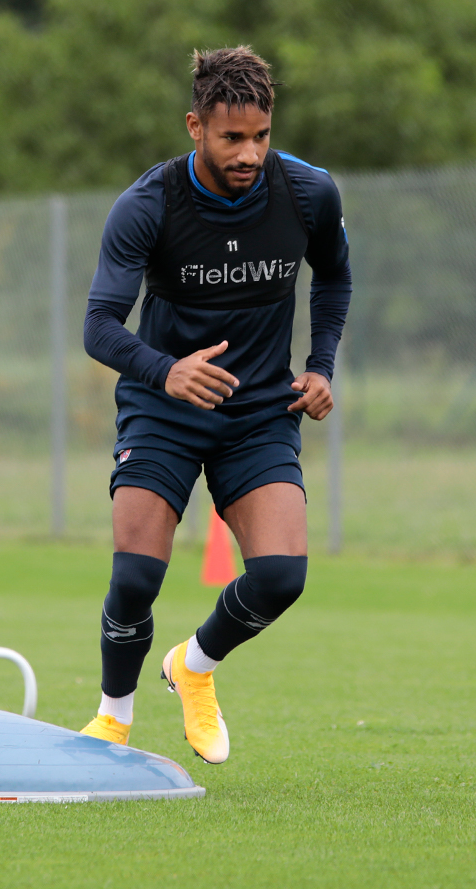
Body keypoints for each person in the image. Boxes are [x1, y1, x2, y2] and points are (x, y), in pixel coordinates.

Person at [78, 46, 350, 763]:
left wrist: (320, 366)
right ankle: (112, 719)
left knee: (282, 578)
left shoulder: (309, 192)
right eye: (232, 137)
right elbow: (99, 325)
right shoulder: (148, 205)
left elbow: (334, 278)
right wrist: (165, 371)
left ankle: (194, 666)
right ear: (195, 126)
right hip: (163, 408)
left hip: (259, 412)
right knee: (136, 577)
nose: (250, 154)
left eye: (261, 136)